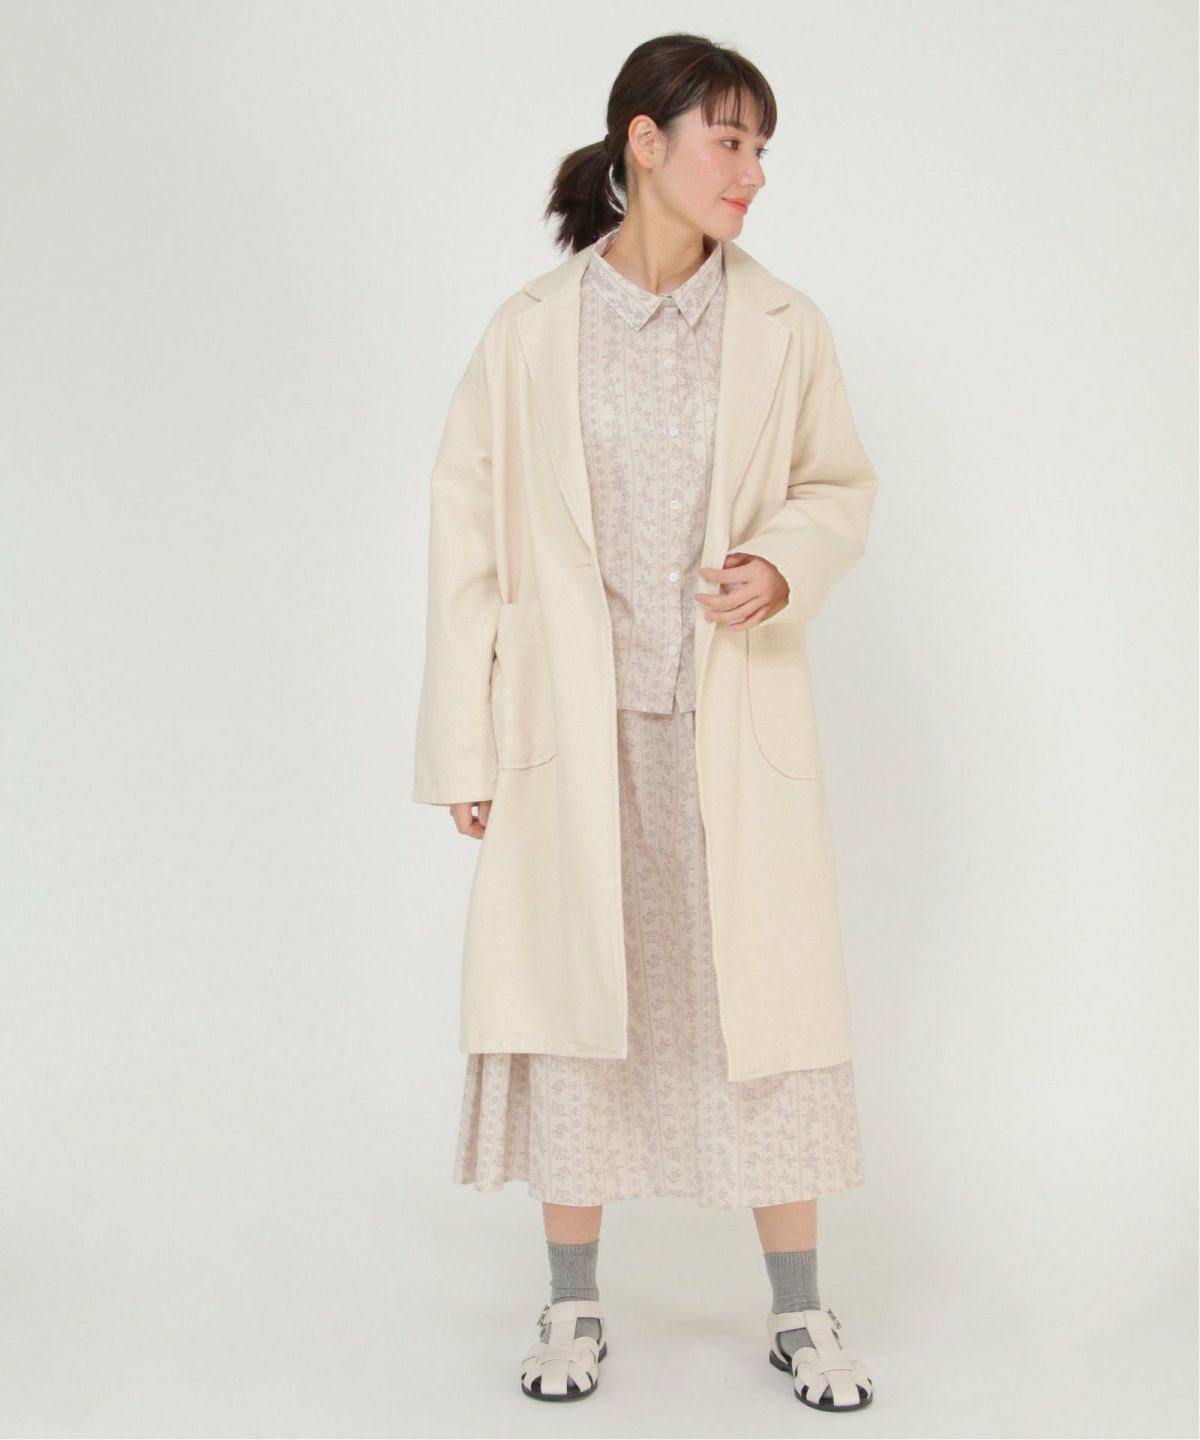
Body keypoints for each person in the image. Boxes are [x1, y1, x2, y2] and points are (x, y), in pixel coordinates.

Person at [413, 32, 878, 1411]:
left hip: (728, 730)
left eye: (760, 147)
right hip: (573, 735)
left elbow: (838, 485)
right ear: (644, 142)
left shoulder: (785, 324)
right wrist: (465, 746)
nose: (752, 172)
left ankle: (799, 1310)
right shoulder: (529, 334)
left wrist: (783, 560)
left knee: (761, 1018)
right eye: (729, 140)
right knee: (576, 1018)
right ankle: (571, 1304)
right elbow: (465, 548)